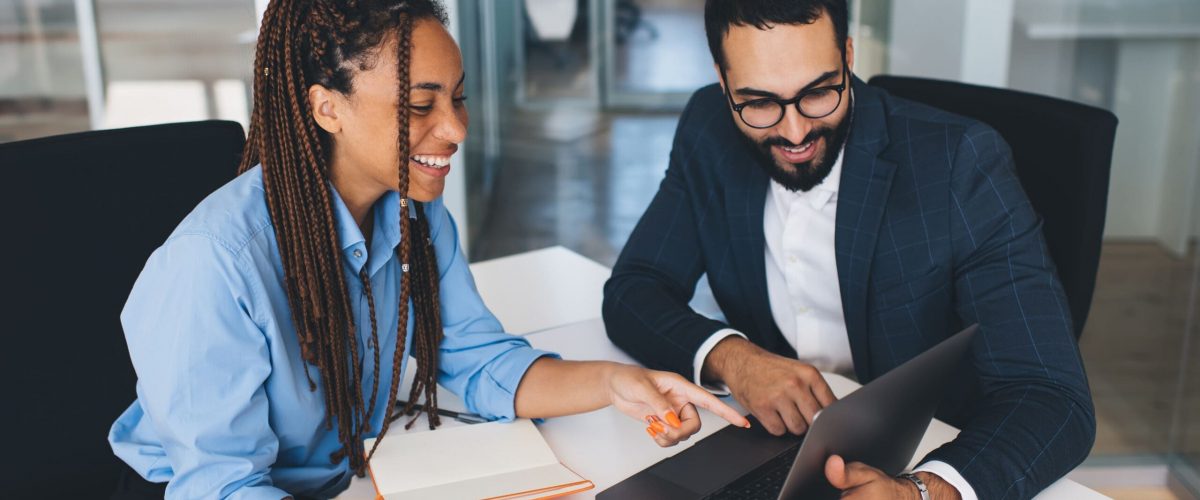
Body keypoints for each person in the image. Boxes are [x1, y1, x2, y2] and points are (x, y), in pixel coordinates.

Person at [107, 1, 748, 498]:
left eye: (458, 97)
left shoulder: (414, 211)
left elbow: (478, 361)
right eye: (420, 105)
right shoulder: (213, 265)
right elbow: (223, 487)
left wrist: (615, 382)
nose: (456, 128)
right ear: (327, 109)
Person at [602, 1, 1096, 499]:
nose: (794, 133)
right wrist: (733, 359)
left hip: (933, 447)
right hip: (778, 446)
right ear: (722, 79)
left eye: (819, 92)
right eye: (759, 103)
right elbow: (634, 288)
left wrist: (922, 492)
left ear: (848, 56)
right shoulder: (708, 126)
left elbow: (1052, 397)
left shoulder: (959, 163)